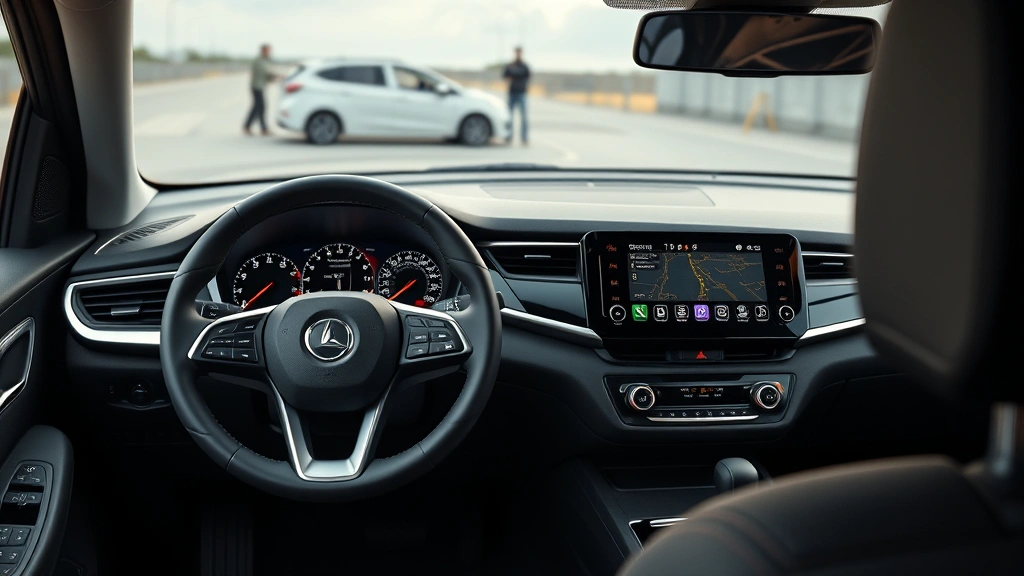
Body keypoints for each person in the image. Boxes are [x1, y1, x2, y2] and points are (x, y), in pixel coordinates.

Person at [243, 43, 275, 136]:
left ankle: (252, 127)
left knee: (258, 107)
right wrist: (276, 77)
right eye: (268, 50)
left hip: (260, 86)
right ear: (263, 50)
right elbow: (266, 74)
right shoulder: (259, 61)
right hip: (257, 87)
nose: (270, 52)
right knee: (260, 107)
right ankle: (261, 128)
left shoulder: (265, 61)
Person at [503, 46, 531, 145]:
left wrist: (514, 74)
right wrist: (515, 74)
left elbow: (526, 75)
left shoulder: (524, 66)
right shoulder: (510, 65)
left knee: (524, 117)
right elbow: (505, 75)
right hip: (512, 93)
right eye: (516, 52)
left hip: (521, 93)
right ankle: (508, 136)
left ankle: (524, 138)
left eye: (519, 52)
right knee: (509, 116)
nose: (518, 54)